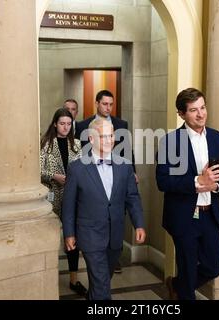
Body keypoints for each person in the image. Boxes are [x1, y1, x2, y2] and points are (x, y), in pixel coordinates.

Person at [155, 88, 219, 300]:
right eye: (193, 110)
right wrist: (198, 181)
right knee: (189, 271)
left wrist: (215, 186)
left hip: (209, 215)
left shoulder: (217, 137)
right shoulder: (170, 141)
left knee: (213, 266)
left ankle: (176, 285)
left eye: (202, 107)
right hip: (184, 217)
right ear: (182, 114)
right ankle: (184, 289)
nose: (201, 114)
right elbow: (162, 181)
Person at [62, 118, 146, 300]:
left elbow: (132, 197)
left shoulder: (125, 166)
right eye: (103, 136)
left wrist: (138, 224)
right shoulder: (76, 168)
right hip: (90, 235)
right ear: (91, 139)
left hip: (115, 236)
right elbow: (68, 205)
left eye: (111, 135)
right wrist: (69, 233)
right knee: (101, 286)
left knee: (101, 282)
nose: (109, 140)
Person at [75, 89, 138, 273]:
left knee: (115, 210)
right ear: (97, 103)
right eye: (104, 104)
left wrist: (132, 171)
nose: (108, 107)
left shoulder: (121, 124)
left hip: (117, 175)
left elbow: (127, 150)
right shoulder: (83, 125)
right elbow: (80, 151)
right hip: (91, 176)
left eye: (111, 104)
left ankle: (112, 253)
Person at [40, 107, 87, 297]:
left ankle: (74, 279)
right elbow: (36, 171)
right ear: (54, 124)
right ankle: (46, 277)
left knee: (72, 240)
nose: (66, 127)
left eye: (69, 124)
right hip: (51, 198)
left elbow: (83, 170)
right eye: (62, 123)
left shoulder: (76, 144)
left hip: (73, 199)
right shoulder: (45, 144)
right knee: (49, 239)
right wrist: (54, 176)